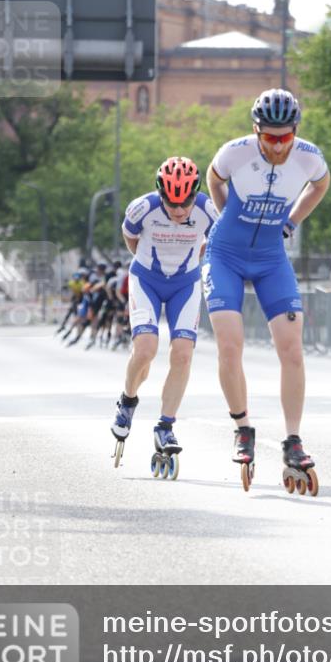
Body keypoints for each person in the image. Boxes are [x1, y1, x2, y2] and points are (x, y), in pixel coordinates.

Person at [204, 88, 330, 482]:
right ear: (256, 130)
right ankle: (243, 430)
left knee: (292, 349)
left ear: (295, 131)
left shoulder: (309, 156)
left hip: (271, 258)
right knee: (230, 344)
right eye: (269, 138)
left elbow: (321, 186)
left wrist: (291, 222)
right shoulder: (235, 152)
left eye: (285, 138)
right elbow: (214, 178)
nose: (277, 147)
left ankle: (292, 440)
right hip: (225, 254)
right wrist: (227, 218)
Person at [111, 156, 218, 456]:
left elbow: (213, 241)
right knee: (145, 349)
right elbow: (131, 239)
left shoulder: (208, 210)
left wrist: (193, 261)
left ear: (195, 194)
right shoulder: (141, 209)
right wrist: (150, 262)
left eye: (185, 203)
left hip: (185, 283)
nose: (179, 210)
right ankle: (128, 400)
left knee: (183, 355)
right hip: (147, 279)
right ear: (161, 194)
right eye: (172, 204)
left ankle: (165, 426)